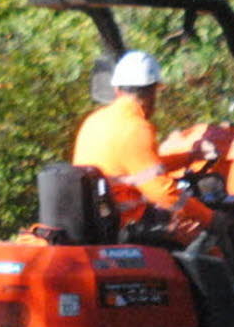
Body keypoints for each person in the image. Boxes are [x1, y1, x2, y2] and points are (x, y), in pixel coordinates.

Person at [71, 50, 215, 243]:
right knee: (208, 242)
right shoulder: (136, 127)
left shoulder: (94, 120)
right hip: (127, 222)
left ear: (117, 90)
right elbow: (162, 193)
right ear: (153, 92)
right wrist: (209, 217)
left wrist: (187, 157)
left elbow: (139, 171)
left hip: (101, 219)